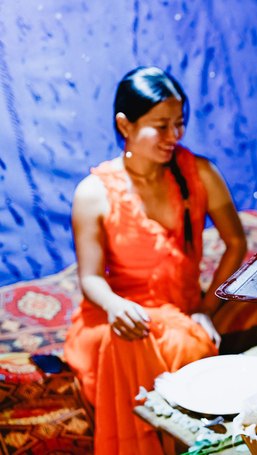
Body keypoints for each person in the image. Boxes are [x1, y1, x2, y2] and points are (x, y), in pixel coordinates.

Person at [64, 67, 247, 454]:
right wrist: (116, 305)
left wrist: (207, 309)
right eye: (161, 126)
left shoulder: (199, 172)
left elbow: (236, 242)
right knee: (130, 339)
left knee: (189, 335)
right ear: (124, 125)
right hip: (118, 315)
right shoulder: (93, 192)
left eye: (179, 124)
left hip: (182, 310)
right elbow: (91, 279)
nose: (174, 136)